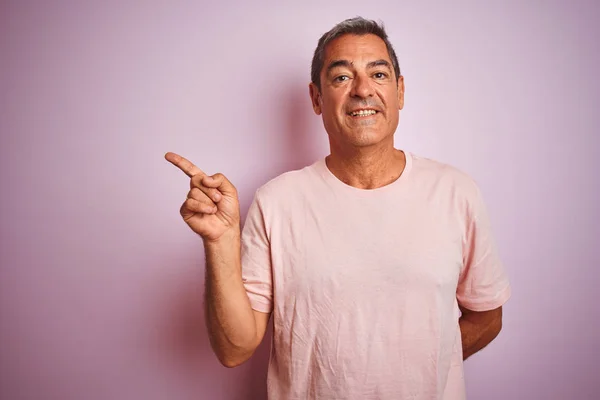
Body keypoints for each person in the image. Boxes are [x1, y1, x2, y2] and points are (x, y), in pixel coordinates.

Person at [165, 16, 511, 400]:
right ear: (316, 98)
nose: (363, 90)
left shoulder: (456, 192)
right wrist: (219, 240)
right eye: (342, 77)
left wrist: (417, 368)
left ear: (399, 92)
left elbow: (488, 317)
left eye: (378, 74)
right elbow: (234, 348)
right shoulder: (276, 201)